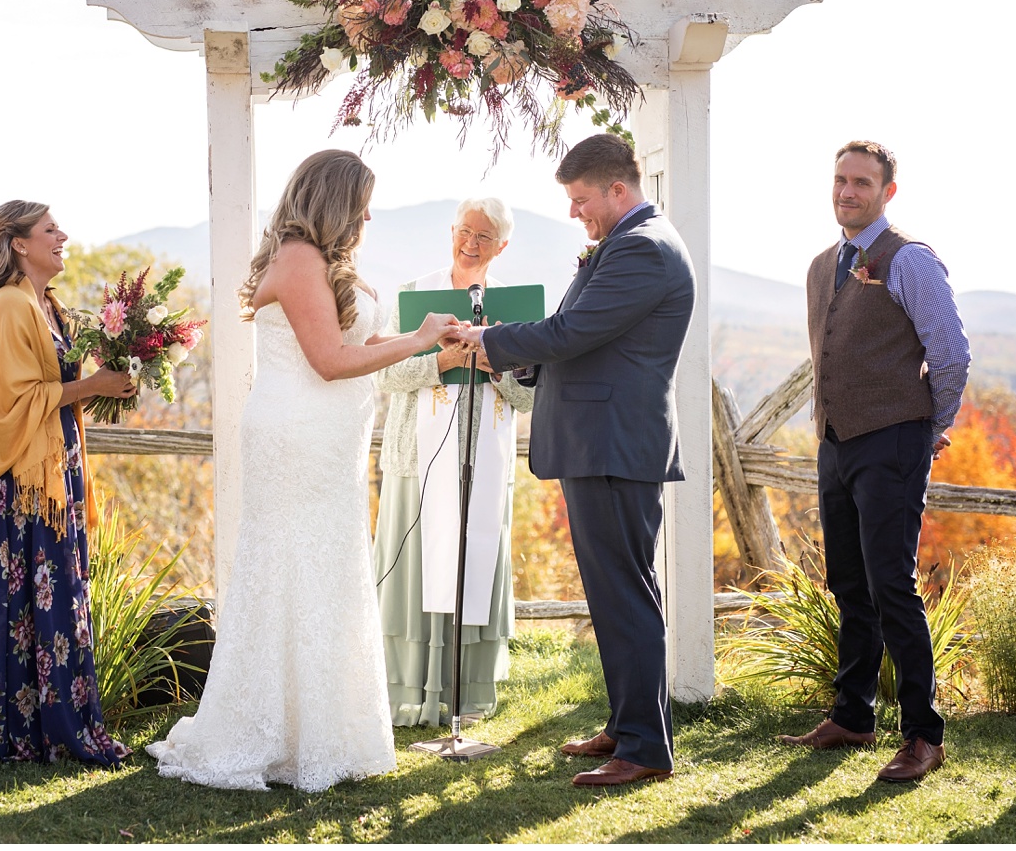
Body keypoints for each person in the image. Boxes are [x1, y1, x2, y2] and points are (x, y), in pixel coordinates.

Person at [148, 151, 457, 790]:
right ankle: (271, 731)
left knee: (327, 568)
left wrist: (433, 351)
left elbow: (363, 351)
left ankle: (321, 727)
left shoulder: (325, 262)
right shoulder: (297, 258)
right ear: (334, 201)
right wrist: (421, 336)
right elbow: (329, 361)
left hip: (329, 440)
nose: (368, 215)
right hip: (296, 436)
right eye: (361, 202)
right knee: (293, 567)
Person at [443, 133, 695, 790]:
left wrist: (486, 339)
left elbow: (573, 333)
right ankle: (629, 720)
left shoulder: (643, 247)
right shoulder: (624, 243)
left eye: (582, 200)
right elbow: (580, 336)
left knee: (626, 595)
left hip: (614, 442)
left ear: (618, 188)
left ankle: (644, 746)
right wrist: (525, 356)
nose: (577, 214)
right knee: (615, 594)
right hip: (600, 439)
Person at [779, 140, 970, 784]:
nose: (847, 192)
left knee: (892, 585)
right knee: (848, 583)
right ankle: (854, 714)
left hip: (892, 439)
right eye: (840, 181)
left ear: (888, 191)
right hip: (836, 442)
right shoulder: (821, 265)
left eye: (861, 182)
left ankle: (923, 734)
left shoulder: (909, 259)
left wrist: (930, 426)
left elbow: (949, 351)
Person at [0, 200, 134, 765]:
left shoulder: (51, 307)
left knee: (58, 602)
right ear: (20, 243)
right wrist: (92, 383)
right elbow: (15, 402)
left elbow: (62, 387)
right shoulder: (8, 306)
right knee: (27, 605)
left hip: (58, 471)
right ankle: (22, 730)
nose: (63, 235)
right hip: (23, 484)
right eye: (51, 230)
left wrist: (116, 375)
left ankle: (59, 723)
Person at [374, 196, 533, 726]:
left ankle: (464, 694)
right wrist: (438, 362)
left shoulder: (516, 306)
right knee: (418, 566)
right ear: (451, 231)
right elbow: (385, 375)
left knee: (475, 557)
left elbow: (533, 397)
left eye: (484, 236)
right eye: (464, 230)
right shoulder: (416, 296)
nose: (471, 242)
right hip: (415, 459)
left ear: (502, 246)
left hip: (482, 461)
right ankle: (410, 689)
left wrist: (499, 367)